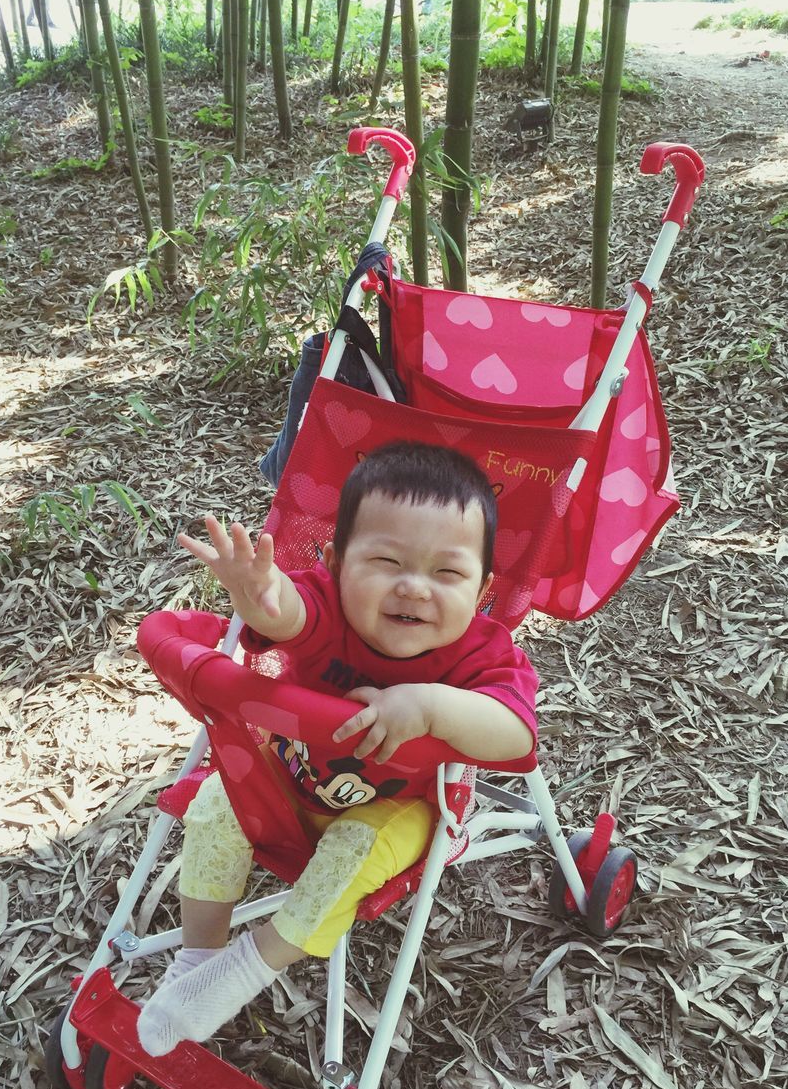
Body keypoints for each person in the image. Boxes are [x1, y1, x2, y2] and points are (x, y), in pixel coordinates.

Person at [136, 441, 538, 1057]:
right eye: (385, 560)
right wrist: (264, 598)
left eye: (447, 573)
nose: (414, 587)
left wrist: (431, 706)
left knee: (355, 845)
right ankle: (197, 960)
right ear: (335, 561)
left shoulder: (482, 654)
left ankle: (248, 967)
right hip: (292, 782)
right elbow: (293, 615)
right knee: (218, 801)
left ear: (483, 590)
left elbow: (515, 734)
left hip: (400, 811)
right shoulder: (331, 607)